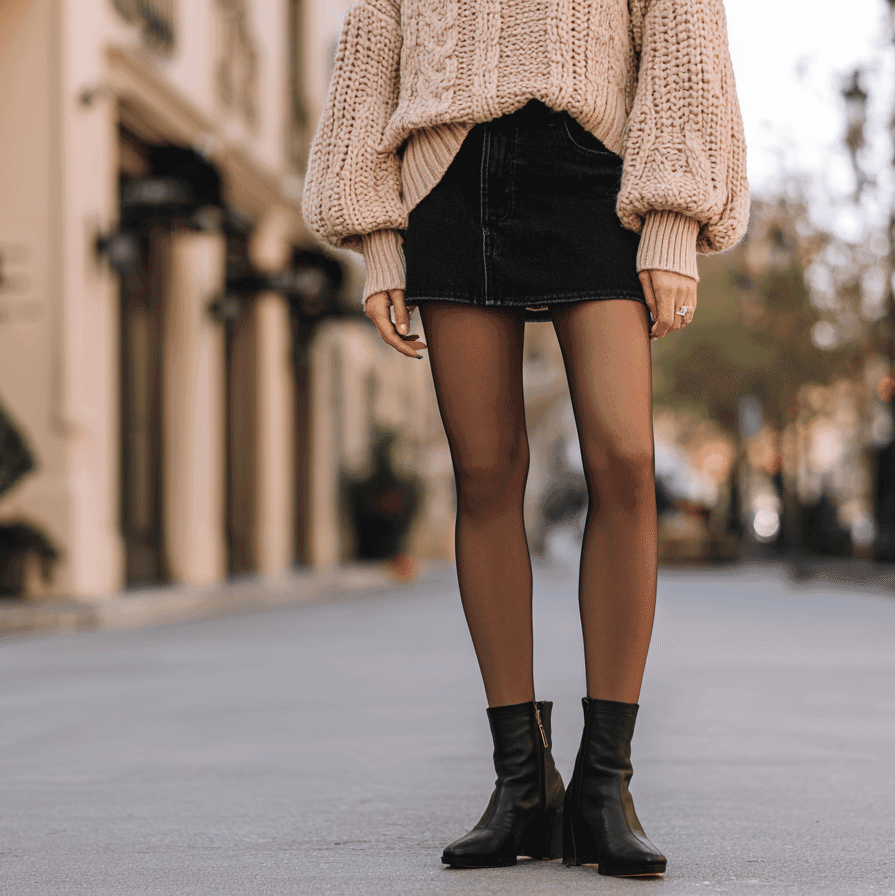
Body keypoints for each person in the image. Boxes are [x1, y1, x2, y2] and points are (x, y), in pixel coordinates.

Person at [302, 0, 748, 878]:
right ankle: (521, 782)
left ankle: (605, 785)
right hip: (447, 177)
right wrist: (380, 240)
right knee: (485, 474)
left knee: (625, 463)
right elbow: (371, 51)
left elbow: (683, 36)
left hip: (597, 172)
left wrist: (672, 222)